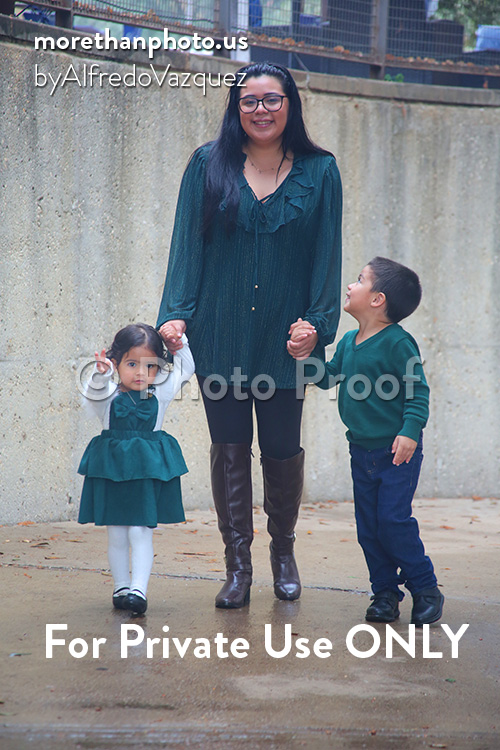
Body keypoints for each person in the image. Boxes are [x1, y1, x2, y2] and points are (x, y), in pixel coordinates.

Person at [157, 62, 342, 609]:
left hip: (286, 340)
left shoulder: (321, 171)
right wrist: (176, 314)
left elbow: (327, 256)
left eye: (272, 99)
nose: (261, 110)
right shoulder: (206, 164)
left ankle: (283, 554)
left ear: (290, 105)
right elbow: (186, 244)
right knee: (230, 448)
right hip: (221, 331)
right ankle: (237, 567)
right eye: (249, 101)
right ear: (236, 108)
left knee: (282, 449)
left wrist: (317, 325)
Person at [292, 257, 444, 626]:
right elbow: (327, 377)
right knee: (369, 529)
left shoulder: (398, 343)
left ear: (377, 299)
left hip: (396, 451)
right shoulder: (349, 341)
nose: (350, 285)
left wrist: (410, 431)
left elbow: (417, 391)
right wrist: (306, 353)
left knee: (392, 521)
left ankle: (425, 587)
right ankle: (385, 593)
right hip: (360, 450)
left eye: (359, 280)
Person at [77, 323, 194, 615]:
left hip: (145, 471)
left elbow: (187, 369)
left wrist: (179, 342)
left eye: (149, 365)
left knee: (141, 531)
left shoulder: (161, 393)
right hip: (112, 470)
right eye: (131, 364)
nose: (141, 372)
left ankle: (139, 590)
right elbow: (90, 397)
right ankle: (121, 586)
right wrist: (100, 375)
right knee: (117, 533)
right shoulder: (108, 395)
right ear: (116, 362)